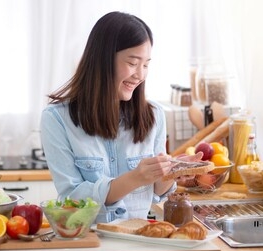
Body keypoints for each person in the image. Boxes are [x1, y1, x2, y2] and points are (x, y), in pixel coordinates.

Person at [40, 11, 176, 223]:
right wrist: (134, 178)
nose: (140, 74)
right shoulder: (57, 119)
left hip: (139, 246)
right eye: (132, 63)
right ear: (103, 60)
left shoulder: (154, 116)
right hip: (89, 246)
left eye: (146, 64)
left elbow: (157, 193)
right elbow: (71, 199)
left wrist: (171, 172)